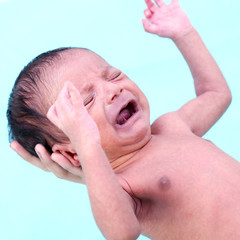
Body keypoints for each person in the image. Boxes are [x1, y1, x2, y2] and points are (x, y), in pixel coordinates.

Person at [8, 0, 240, 239]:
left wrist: (184, 34)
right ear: (73, 153)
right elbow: (122, 233)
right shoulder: (124, 185)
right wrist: (89, 149)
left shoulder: (171, 127)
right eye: (87, 101)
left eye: (114, 75)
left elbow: (216, 94)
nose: (113, 90)